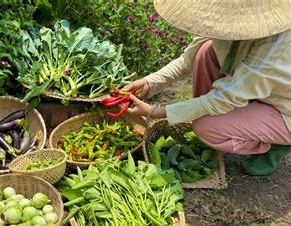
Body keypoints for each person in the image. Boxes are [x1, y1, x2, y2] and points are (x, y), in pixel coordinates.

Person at [122, 0, 291, 176]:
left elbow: (225, 98)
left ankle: (275, 144)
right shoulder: (221, 18)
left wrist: (155, 111)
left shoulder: (278, 42)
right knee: (205, 52)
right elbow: (187, 60)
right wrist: (150, 82)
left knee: (205, 126)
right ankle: (235, 120)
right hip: (255, 89)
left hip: (284, 108)